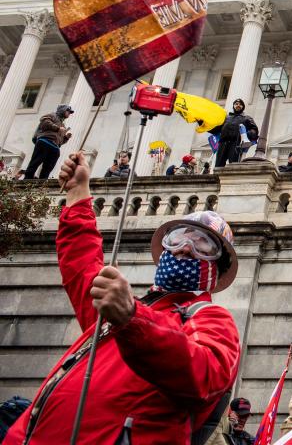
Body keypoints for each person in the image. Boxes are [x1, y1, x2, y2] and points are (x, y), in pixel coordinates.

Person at [4, 151, 241, 444]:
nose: (184, 248)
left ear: (217, 268)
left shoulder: (210, 317)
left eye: (202, 245)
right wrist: (78, 194)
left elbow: (204, 373)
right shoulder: (118, 311)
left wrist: (132, 318)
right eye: (178, 238)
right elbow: (83, 263)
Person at [23, 104, 73, 180]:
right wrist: (57, 128)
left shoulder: (63, 124)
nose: (69, 113)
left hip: (55, 147)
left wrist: (66, 138)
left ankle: (42, 183)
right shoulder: (52, 115)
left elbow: (60, 141)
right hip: (45, 142)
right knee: (35, 162)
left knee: (48, 168)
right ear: (63, 110)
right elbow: (45, 123)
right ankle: (27, 179)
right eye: (68, 111)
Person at [214, 99, 258, 167]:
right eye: (236, 104)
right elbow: (215, 129)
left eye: (240, 104)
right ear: (233, 106)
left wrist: (246, 134)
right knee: (218, 165)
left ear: (243, 107)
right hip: (223, 143)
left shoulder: (247, 118)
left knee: (234, 165)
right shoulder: (226, 117)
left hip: (236, 144)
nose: (238, 105)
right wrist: (202, 123)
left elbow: (254, 130)